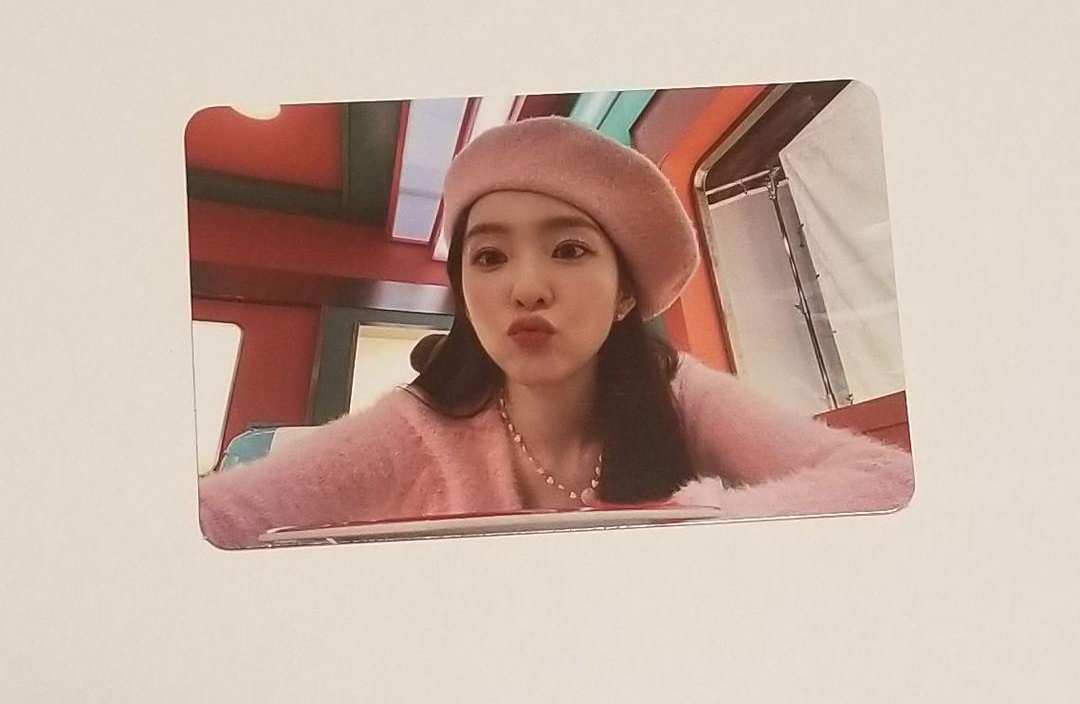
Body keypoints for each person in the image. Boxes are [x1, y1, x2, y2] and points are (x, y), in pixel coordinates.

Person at [199, 117, 913, 548]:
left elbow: (886, 479)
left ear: (626, 293)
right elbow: (224, 514)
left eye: (569, 250)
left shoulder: (679, 393)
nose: (527, 287)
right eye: (489, 258)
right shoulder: (417, 425)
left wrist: (697, 525)